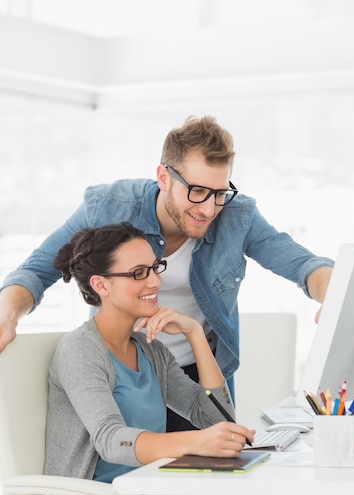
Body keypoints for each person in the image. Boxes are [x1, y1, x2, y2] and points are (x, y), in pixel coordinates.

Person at [42, 222, 339, 495]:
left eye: (155, 267)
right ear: (101, 284)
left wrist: (196, 335)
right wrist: (195, 443)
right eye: (138, 273)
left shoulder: (149, 348)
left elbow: (217, 420)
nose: (154, 281)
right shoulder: (80, 350)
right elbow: (112, 441)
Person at [0, 115, 333, 434]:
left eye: (219, 193)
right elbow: (37, 269)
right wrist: (8, 313)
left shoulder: (237, 216)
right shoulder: (108, 206)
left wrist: (333, 295)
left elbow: (303, 265)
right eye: (198, 191)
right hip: (125, 373)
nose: (208, 209)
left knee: (213, 473)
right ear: (163, 177)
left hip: (198, 374)